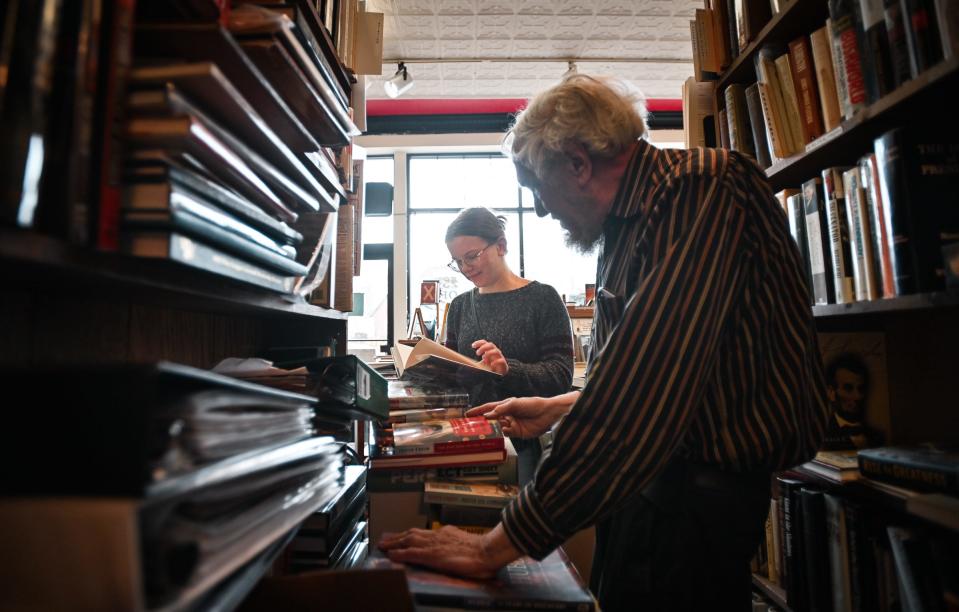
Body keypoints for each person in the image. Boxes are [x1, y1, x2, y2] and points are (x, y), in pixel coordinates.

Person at [380, 74, 830, 611]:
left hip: (695, 497)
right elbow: (662, 374)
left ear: (578, 163)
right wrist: (559, 405)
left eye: (538, 191)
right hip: (652, 486)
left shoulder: (701, 190)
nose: (543, 211)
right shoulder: (630, 226)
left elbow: (644, 393)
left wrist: (492, 548)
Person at [442, 206, 574, 485]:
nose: (466, 269)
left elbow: (561, 377)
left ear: (501, 245)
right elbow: (450, 373)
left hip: (523, 439)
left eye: (472, 256)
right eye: (457, 262)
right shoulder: (459, 306)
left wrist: (507, 370)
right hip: (466, 436)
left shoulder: (543, 299)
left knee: (515, 523)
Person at [822, 352, 880, 450]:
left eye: (861, 389)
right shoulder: (820, 435)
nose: (857, 397)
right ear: (831, 393)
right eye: (848, 388)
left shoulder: (877, 436)